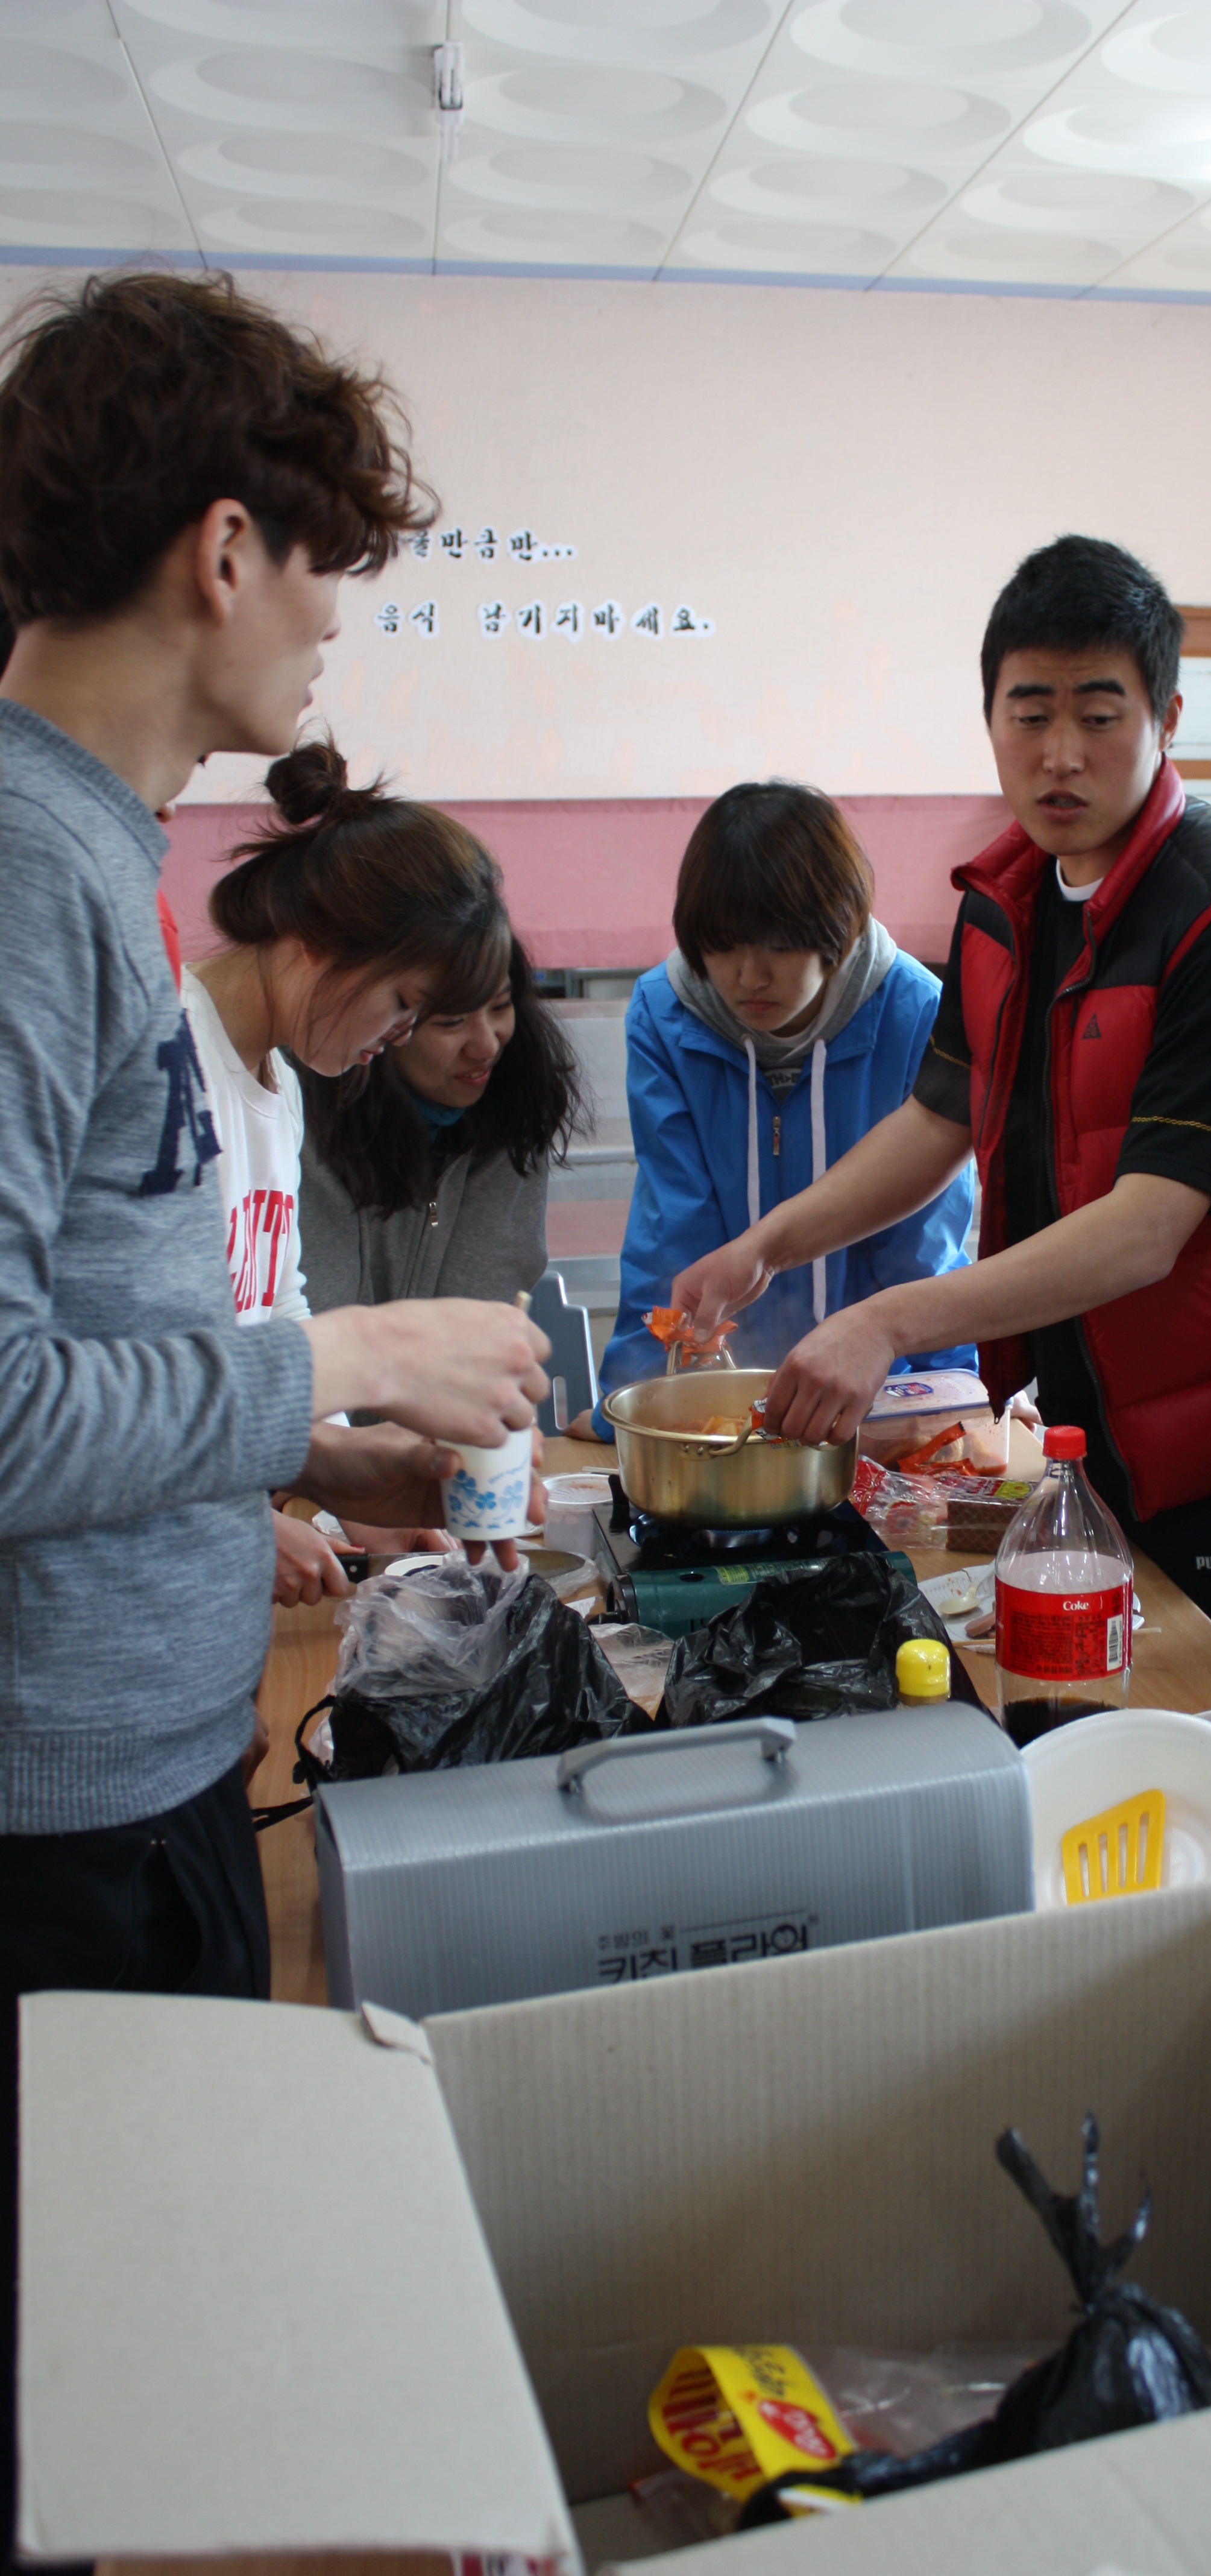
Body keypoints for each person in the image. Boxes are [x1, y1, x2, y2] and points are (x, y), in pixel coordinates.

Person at [0, 268, 548, 2568]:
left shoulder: (82, 859)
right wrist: (340, 1360)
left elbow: (99, 1354)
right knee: (101, 2417)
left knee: (150, 2397)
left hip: (148, 1766)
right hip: (59, 1827)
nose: (331, 625)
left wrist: (312, 1454)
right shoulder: (24, 869)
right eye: (325, 566)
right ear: (223, 550)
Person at [675, 540, 1211, 1692]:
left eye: (1098, 715)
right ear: (988, 717)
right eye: (1029, 714)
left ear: (1166, 717)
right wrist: (766, 1246)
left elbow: (1147, 1229)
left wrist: (883, 1321)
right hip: (1084, 1422)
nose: (1059, 754)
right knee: (1096, 1709)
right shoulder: (1006, 901)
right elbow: (936, 1120)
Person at [186, 735, 564, 1605]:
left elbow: (275, 1317)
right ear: (319, 943)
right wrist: (228, 1521)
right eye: (404, 1005)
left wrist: (343, 1471)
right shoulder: (169, 1061)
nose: (398, 1040)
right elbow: (109, 1380)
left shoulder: (275, 1084)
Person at [585, 778, 976, 1435]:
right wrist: (631, 1411)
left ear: (838, 927)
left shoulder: (919, 1015)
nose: (749, 976)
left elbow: (924, 1249)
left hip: (878, 1393)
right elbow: (670, 1235)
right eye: (723, 946)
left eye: (778, 944)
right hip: (729, 1399)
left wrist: (953, 1403)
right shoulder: (663, 1014)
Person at [298, 924, 582, 1318]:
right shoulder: (299, 1127)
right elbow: (316, 1324)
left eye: (500, 1007)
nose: (486, 1045)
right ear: (383, 1024)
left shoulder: (515, 1108)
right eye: (451, 1022)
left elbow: (480, 1314)